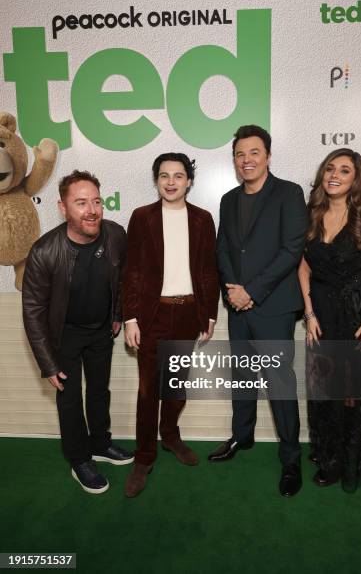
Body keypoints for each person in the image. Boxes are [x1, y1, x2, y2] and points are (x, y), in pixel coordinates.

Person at [208, 125, 308, 498]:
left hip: (273, 307)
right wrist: (234, 292)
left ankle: (291, 457)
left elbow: (291, 249)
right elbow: (222, 250)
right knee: (243, 377)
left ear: (267, 155)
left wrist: (253, 291)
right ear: (234, 160)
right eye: (239, 154)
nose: (246, 160)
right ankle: (242, 436)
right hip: (238, 306)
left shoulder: (289, 193)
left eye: (254, 152)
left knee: (280, 385)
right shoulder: (229, 199)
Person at [22, 170, 133, 494]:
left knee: (99, 392)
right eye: (81, 203)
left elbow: (122, 279)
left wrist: (117, 315)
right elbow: (33, 311)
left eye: (96, 201)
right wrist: (48, 362)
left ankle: (100, 443)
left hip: (101, 332)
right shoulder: (44, 252)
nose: (92, 210)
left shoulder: (115, 235)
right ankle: (79, 459)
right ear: (62, 208)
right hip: (64, 338)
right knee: (69, 401)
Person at [123, 153, 219, 498]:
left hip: (189, 314)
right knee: (149, 389)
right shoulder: (141, 217)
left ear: (189, 181)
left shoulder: (203, 219)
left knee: (177, 384)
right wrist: (131, 317)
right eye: (164, 175)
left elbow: (209, 269)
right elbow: (131, 270)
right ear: (156, 180)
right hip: (153, 316)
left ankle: (171, 435)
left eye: (178, 175)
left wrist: (209, 313)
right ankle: (144, 456)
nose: (171, 181)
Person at [298, 148, 361, 492]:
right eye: (330, 169)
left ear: (356, 180)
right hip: (322, 315)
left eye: (344, 171)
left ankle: (351, 460)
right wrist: (308, 314)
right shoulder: (311, 216)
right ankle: (330, 457)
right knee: (324, 389)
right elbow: (304, 268)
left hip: (358, 315)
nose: (334, 175)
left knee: (353, 393)